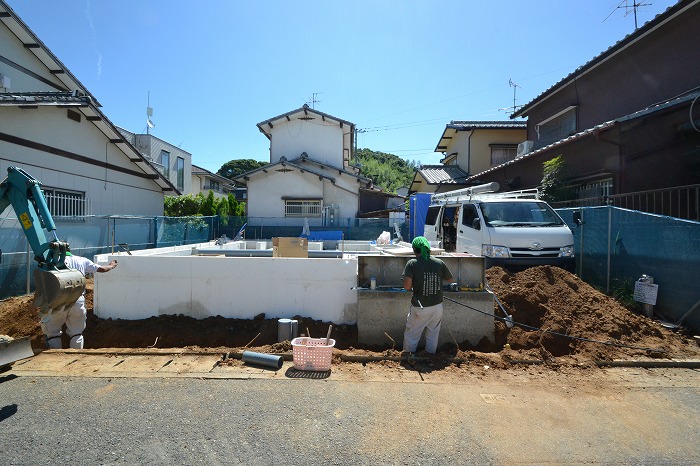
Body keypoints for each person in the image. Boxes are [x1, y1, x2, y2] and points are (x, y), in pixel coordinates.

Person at [40, 250, 118, 349]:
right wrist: (112, 265)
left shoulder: (52, 262)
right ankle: (76, 355)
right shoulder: (82, 260)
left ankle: (55, 357)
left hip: (58, 301)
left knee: (53, 333)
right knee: (76, 333)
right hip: (78, 301)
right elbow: (102, 269)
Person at [402, 236, 454, 362]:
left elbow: (407, 287)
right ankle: (430, 356)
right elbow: (450, 279)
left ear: (414, 249)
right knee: (433, 333)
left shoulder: (412, 263)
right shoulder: (438, 262)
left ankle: (409, 355)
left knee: (412, 332)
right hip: (437, 306)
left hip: (420, 306)